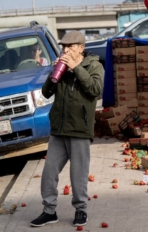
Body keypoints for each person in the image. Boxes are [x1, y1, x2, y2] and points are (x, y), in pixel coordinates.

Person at [30, 31, 104, 227]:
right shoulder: (61, 67)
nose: (66, 50)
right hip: (58, 130)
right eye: (64, 47)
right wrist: (53, 73)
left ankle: (81, 210)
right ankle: (49, 211)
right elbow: (46, 93)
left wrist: (77, 68)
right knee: (49, 172)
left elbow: (95, 90)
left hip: (79, 129)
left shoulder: (94, 66)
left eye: (70, 47)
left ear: (81, 48)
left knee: (78, 173)